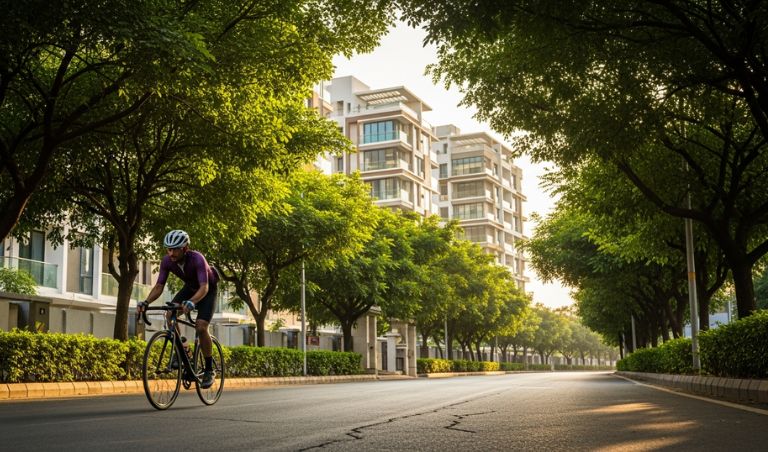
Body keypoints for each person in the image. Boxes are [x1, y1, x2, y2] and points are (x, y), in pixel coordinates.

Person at [137, 230, 218, 389]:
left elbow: (204, 287)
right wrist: (145, 302)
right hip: (190, 288)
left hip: (208, 290)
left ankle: (209, 370)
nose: (171, 253)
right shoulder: (167, 261)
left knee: (201, 327)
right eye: (168, 249)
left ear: (185, 248)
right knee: (169, 314)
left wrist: (192, 302)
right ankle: (185, 350)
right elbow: (159, 286)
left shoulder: (197, 259)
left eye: (175, 249)